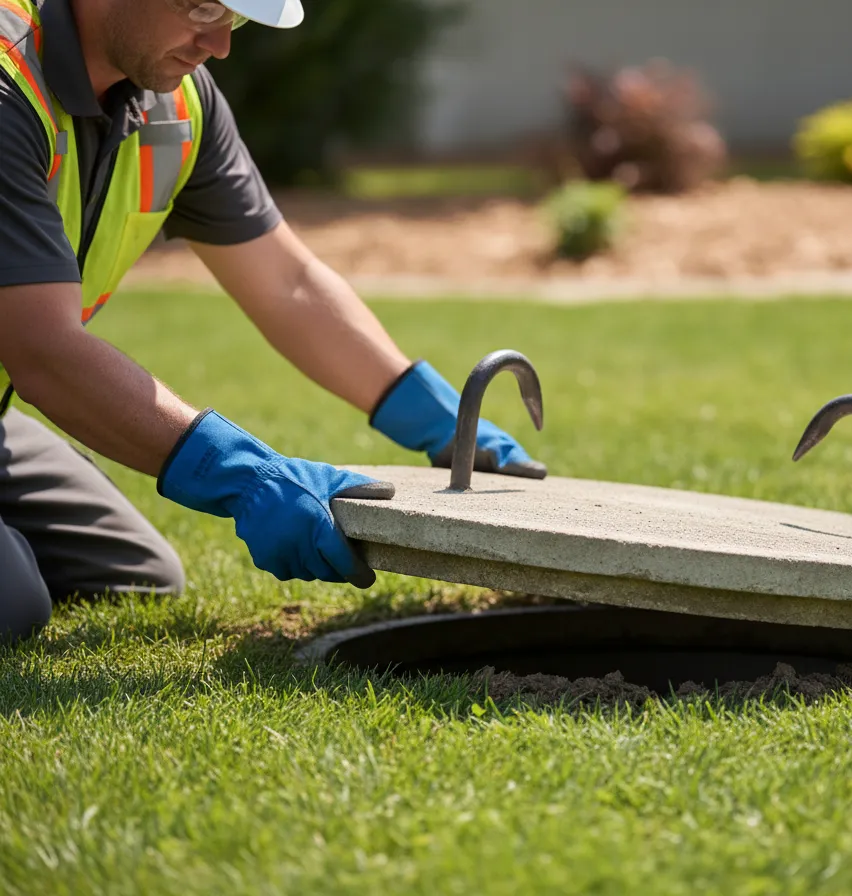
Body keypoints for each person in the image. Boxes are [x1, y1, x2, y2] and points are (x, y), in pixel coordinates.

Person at [0, 0, 546, 643]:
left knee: (133, 576)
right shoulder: (9, 82)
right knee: (15, 601)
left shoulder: (175, 103)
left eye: (235, 19)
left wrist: (432, 415)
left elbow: (287, 283)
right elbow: (43, 349)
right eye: (202, 6)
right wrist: (243, 475)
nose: (220, 44)